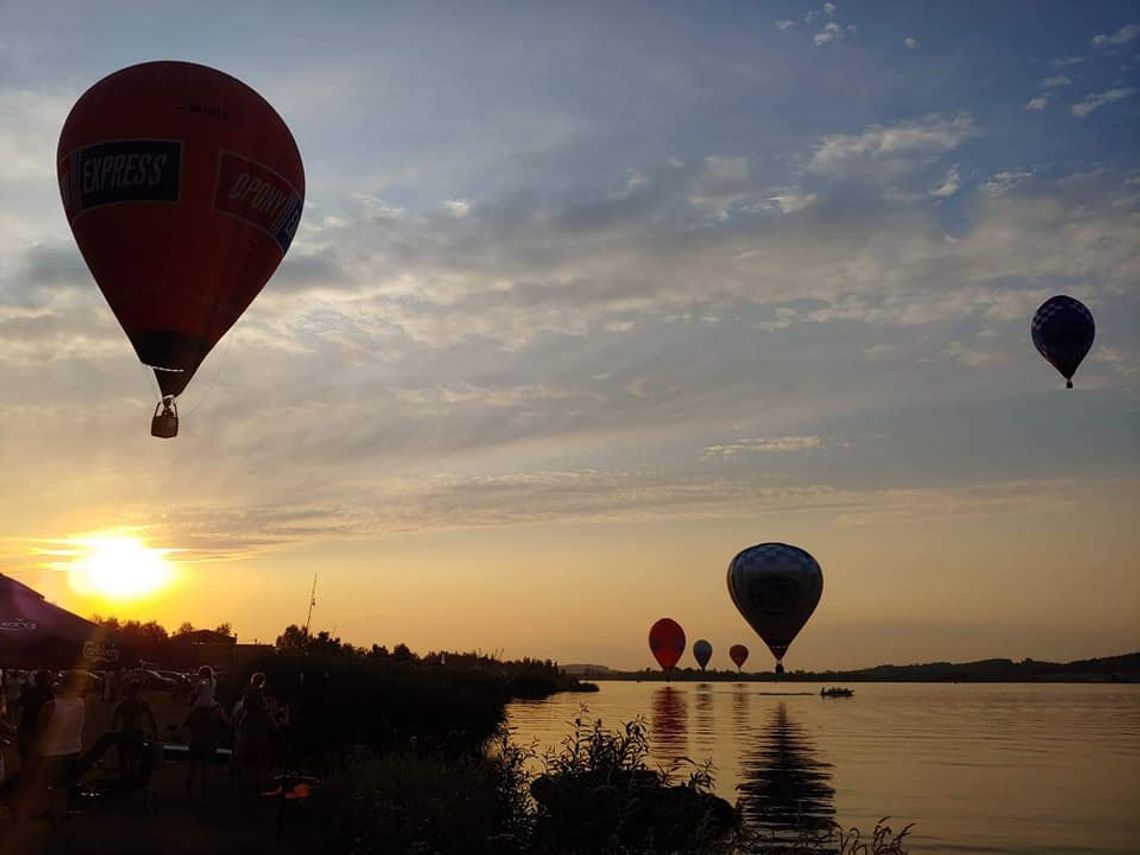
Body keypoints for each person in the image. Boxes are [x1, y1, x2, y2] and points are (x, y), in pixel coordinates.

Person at [25, 670, 86, 820]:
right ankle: (58, 813)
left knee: (43, 784)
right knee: (61, 787)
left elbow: (39, 731)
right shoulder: (81, 703)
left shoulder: (50, 706)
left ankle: (48, 814)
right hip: (72, 750)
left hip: (51, 753)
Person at [111, 680, 158, 785]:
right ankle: (131, 782)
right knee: (134, 760)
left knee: (122, 761)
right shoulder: (143, 702)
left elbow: (114, 722)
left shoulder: (123, 702)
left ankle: (123, 782)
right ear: (139, 690)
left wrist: (113, 735)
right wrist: (155, 734)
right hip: (136, 733)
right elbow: (151, 719)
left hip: (124, 732)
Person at [234, 672, 274, 791]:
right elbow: (261, 703)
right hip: (256, 717)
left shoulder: (247, 689)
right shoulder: (257, 691)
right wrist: (267, 707)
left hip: (246, 718)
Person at [184, 691, 228, 800]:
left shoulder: (197, 709)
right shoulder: (217, 709)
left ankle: (189, 792)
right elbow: (226, 723)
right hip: (210, 741)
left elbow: (187, 722)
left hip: (196, 740)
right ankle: (205, 794)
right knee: (207, 769)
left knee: (192, 768)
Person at [16, 670, 53, 767]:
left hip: (27, 725)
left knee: (25, 753)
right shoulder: (49, 695)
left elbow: (19, 705)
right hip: (41, 728)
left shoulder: (29, 692)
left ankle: (25, 771)